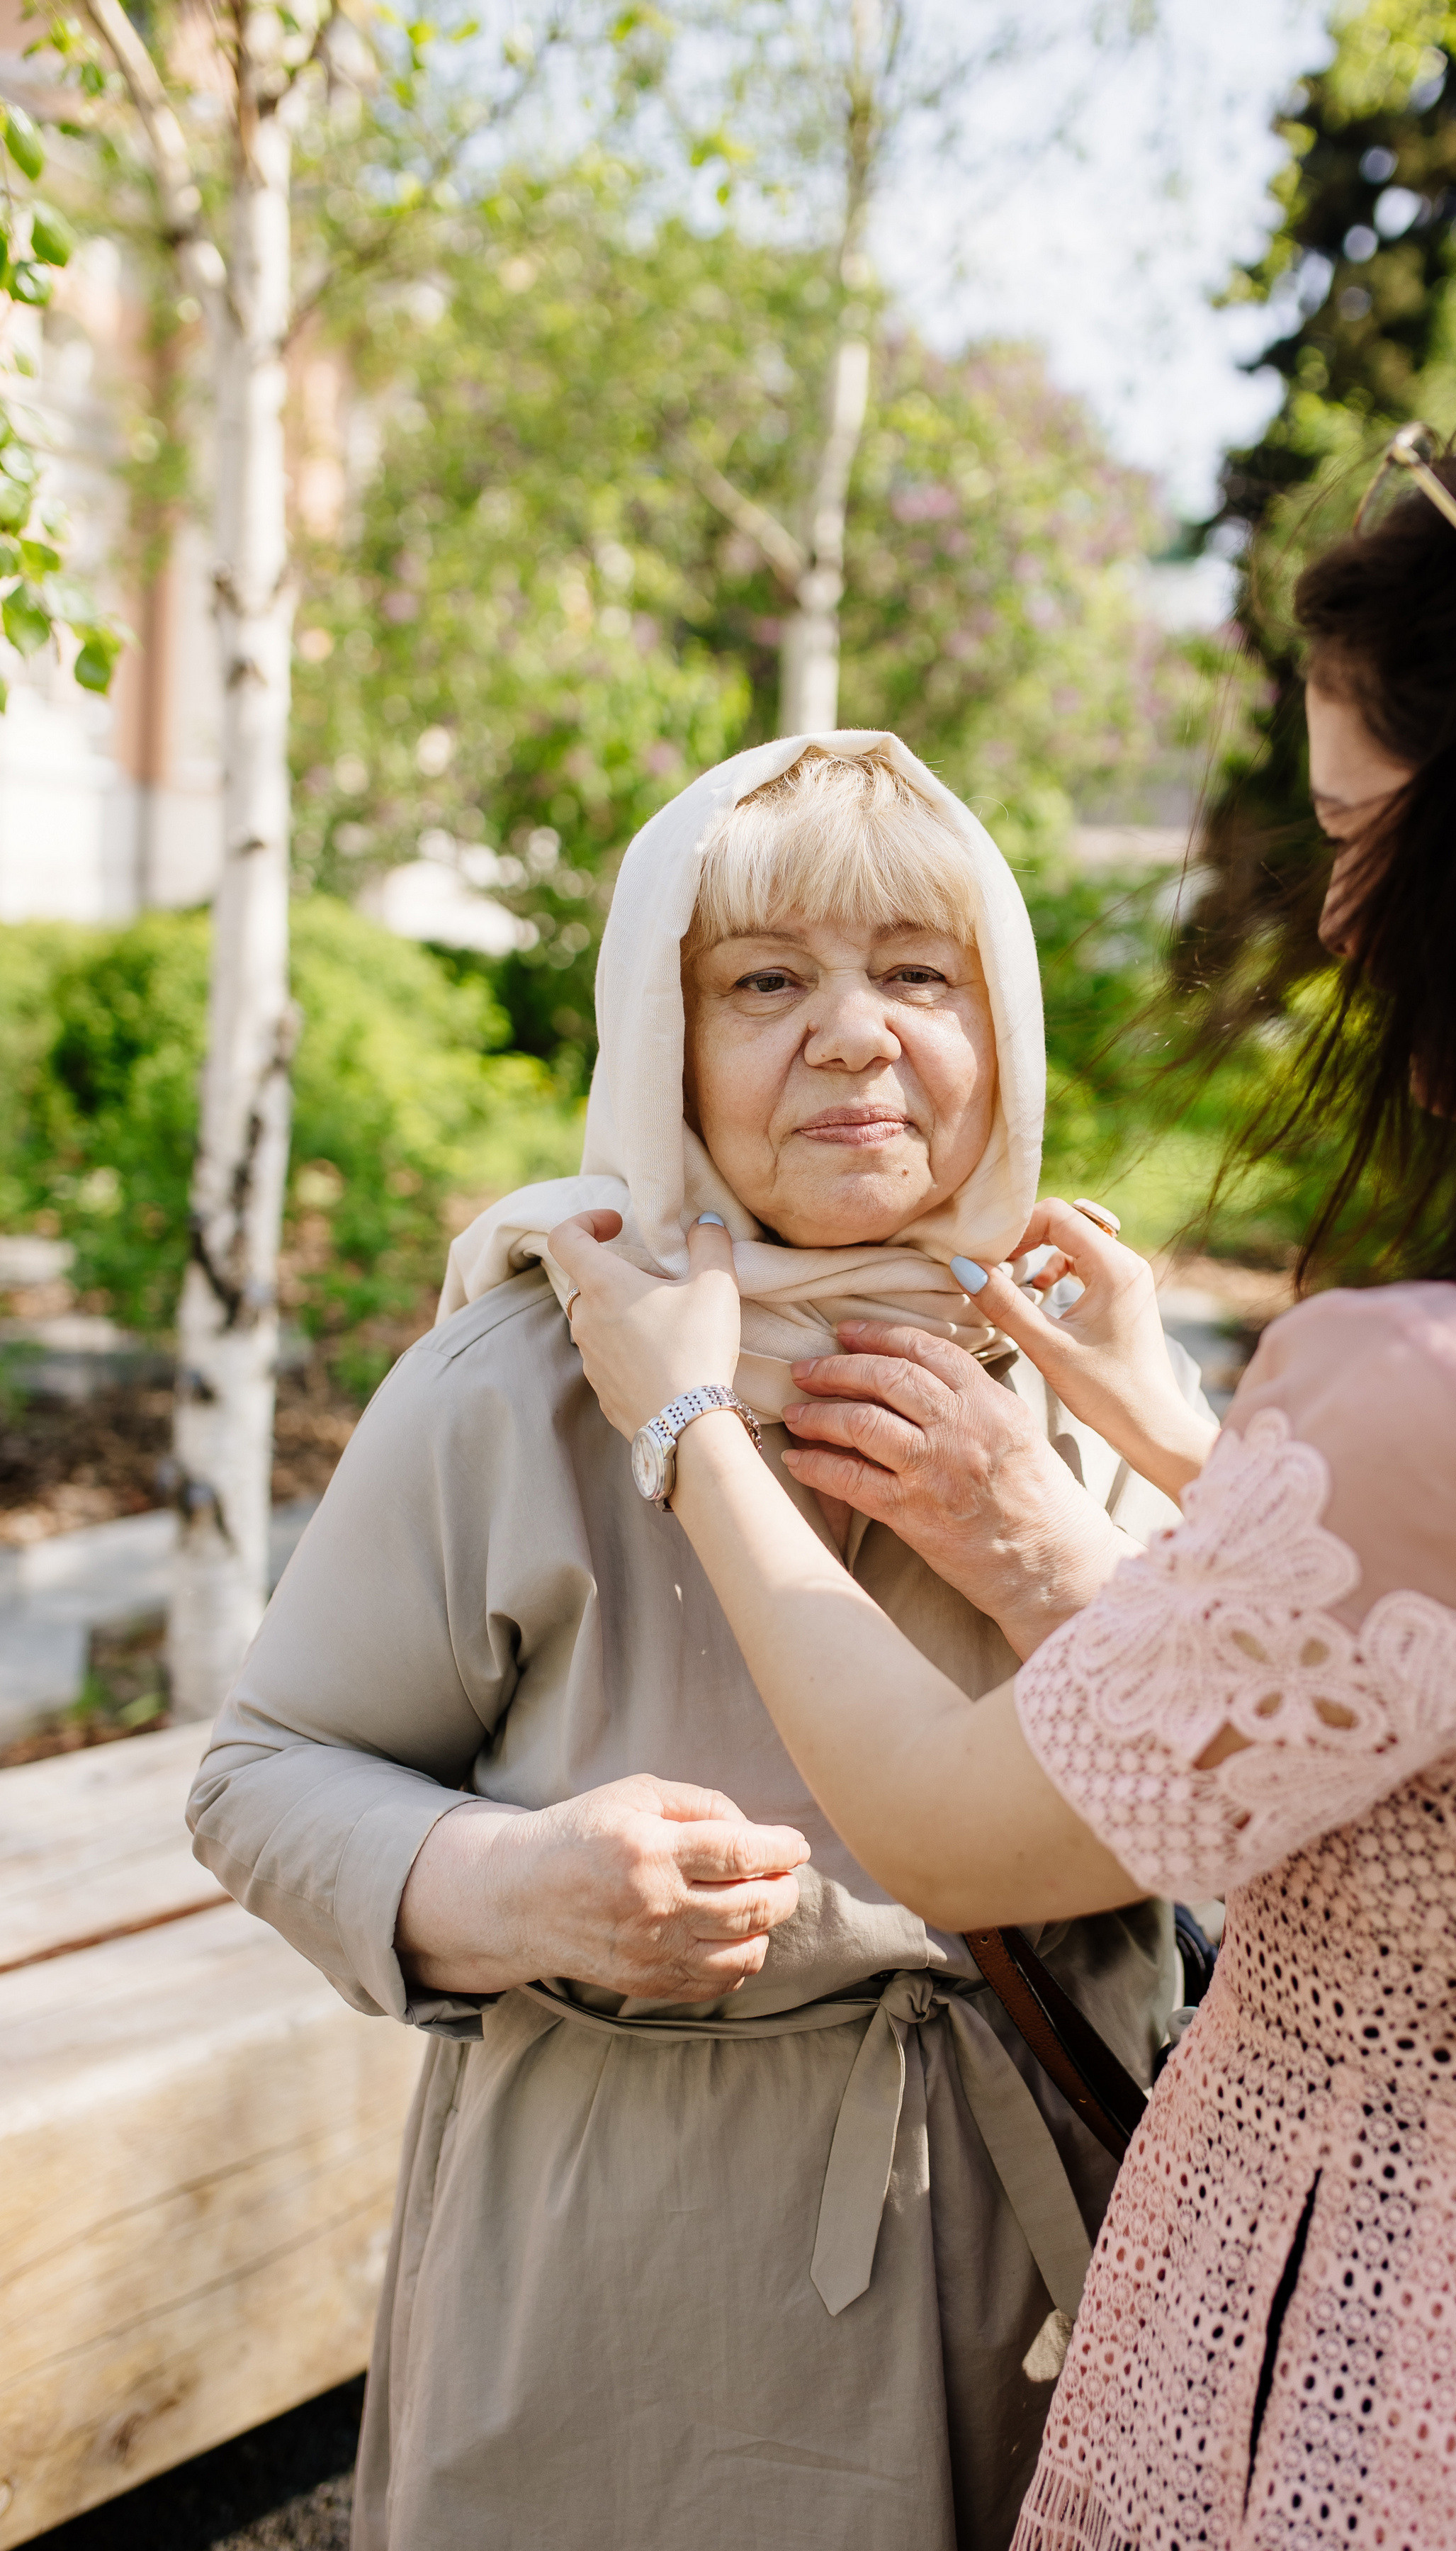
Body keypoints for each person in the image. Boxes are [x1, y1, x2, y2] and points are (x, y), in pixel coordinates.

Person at [551, 405, 1456, 2549]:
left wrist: (688, 1423)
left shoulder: (1434, 1395)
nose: (1345, 924)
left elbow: (947, 1834)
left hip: (1372, 2347)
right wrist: (1197, 1457)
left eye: (1367, 837)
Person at [186, 733, 1214, 2551]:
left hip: (1052, 2228)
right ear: (661, 1040)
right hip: (635, 2262)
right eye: (761, 981)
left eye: (919, 972)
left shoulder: (1085, 1377)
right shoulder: (526, 1377)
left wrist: (1051, 1528)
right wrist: (505, 1885)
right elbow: (264, 1773)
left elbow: (1249, 1786)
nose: (850, 1033)